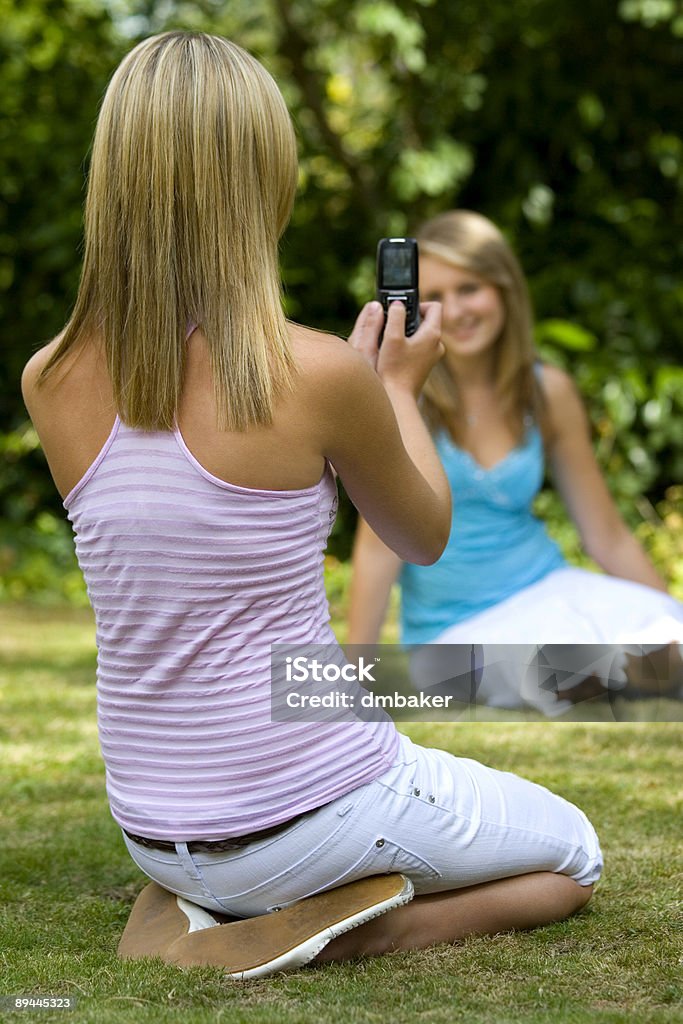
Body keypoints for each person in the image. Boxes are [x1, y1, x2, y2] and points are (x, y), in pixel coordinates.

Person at [22, 34, 601, 977]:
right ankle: (324, 925)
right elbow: (422, 535)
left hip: (151, 824)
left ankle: (196, 900)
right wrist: (401, 393)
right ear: (261, 181)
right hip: (304, 812)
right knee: (574, 855)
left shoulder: (48, 380)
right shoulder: (321, 374)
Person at [349, 210, 683, 716]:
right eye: (436, 294)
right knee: (569, 673)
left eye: (470, 287)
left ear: (505, 289)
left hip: (549, 586)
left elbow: (606, 535)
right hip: (453, 632)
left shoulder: (547, 391)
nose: (456, 309)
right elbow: (378, 549)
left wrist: (667, 614)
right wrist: (355, 677)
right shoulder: (400, 395)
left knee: (669, 645)